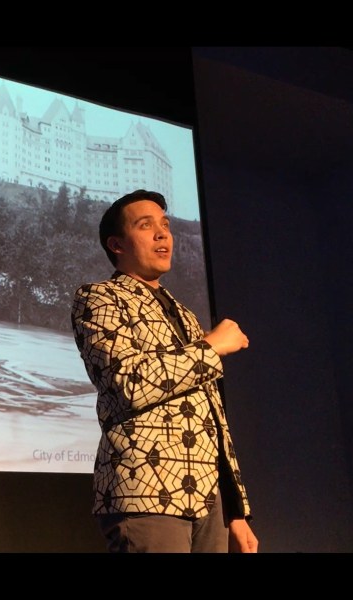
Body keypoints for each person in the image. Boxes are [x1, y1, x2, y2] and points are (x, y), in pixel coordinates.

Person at [71, 189, 258, 553]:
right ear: (117, 245)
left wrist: (236, 509)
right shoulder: (98, 297)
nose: (162, 234)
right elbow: (129, 383)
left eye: (165, 225)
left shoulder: (184, 314)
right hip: (146, 489)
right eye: (146, 226)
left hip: (208, 498)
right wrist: (210, 347)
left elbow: (213, 418)